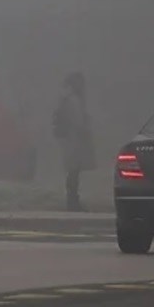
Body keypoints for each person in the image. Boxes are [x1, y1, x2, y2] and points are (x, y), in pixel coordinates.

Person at [52, 71, 95, 212]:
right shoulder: (73, 100)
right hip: (74, 141)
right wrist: (86, 128)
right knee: (73, 172)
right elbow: (78, 123)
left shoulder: (65, 99)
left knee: (72, 172)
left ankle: (72, 200)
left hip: (68, 141)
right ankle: (72, 202)